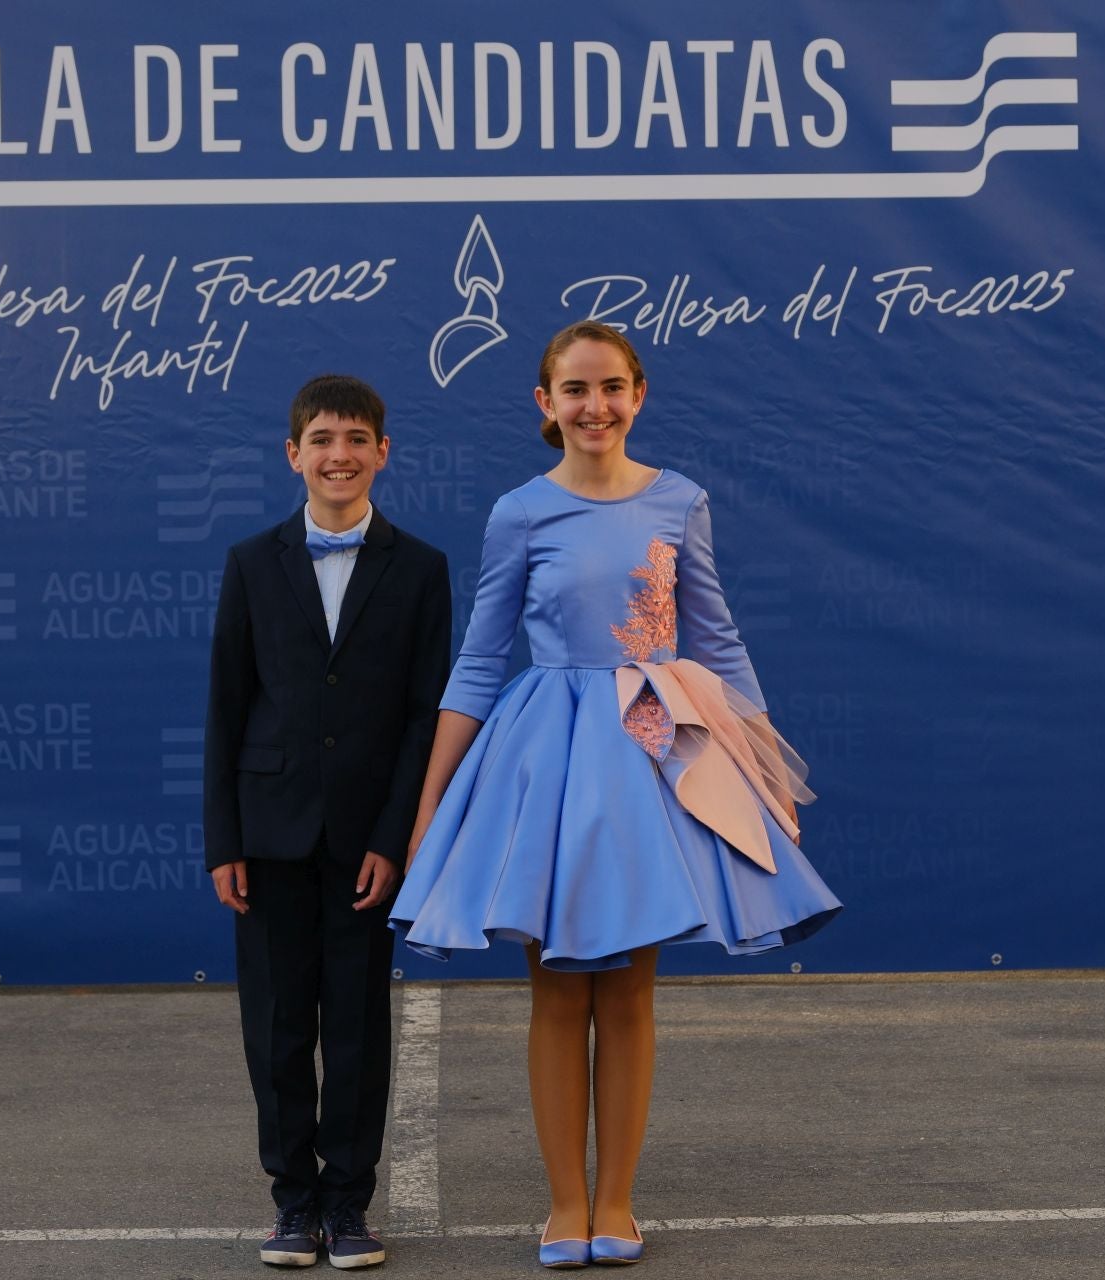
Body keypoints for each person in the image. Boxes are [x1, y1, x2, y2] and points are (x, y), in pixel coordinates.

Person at [390, 322, 841, 1268]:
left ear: (639, 396)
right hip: (548, 756)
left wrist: (759, 762)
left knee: (630, 989)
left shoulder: (679, 501)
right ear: (544, 404)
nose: (594, 406)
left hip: (655, 755)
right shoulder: (520, 512)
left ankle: (618, 1203)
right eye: (574, 389)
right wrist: (434, 801)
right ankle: (564, 1205)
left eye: (611, 388)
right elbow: (478, 661)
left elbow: (716, 644)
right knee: (557, 989)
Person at [205, 375, 451, 1269]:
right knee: (276, 1028)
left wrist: (395, 836)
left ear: (382, 452)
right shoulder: (251, 561)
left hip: (365, 844)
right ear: (293, 454)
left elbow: (426, 714)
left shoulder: (421, 568)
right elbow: (226, 709)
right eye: (321, 438)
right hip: (267, 837)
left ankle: (348, 1205)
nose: (338, 453)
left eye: (355, 437)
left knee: (353, 1026)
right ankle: (291, 1203)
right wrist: (223, 841)